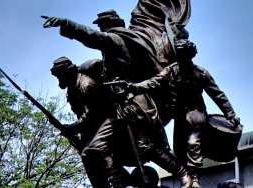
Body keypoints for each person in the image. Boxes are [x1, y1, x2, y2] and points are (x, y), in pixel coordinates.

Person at [125, 35, 240, 188]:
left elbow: (217, 95)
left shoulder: (201, 73)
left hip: (195, 112)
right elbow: (154, 82)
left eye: (184, 56)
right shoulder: (171, 71)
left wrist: (230, 114)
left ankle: (195, 178)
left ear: (190, 55)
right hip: (178, 114)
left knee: (193, 142)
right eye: (179, 56)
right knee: (179, 148)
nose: (181, 59)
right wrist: (134, 87)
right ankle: (187, 177)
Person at [49, 54, 178, 188]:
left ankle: (118, 184)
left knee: (95, 149)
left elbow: (91, 115)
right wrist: (75, 134)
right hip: (95, 127)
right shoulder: (71, 90)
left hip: (111, 120)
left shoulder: (86, 85)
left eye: (59, 75)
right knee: (87, 155)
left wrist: (72, 128)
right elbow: (82, 117)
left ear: (67, 73)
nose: (59, 80)